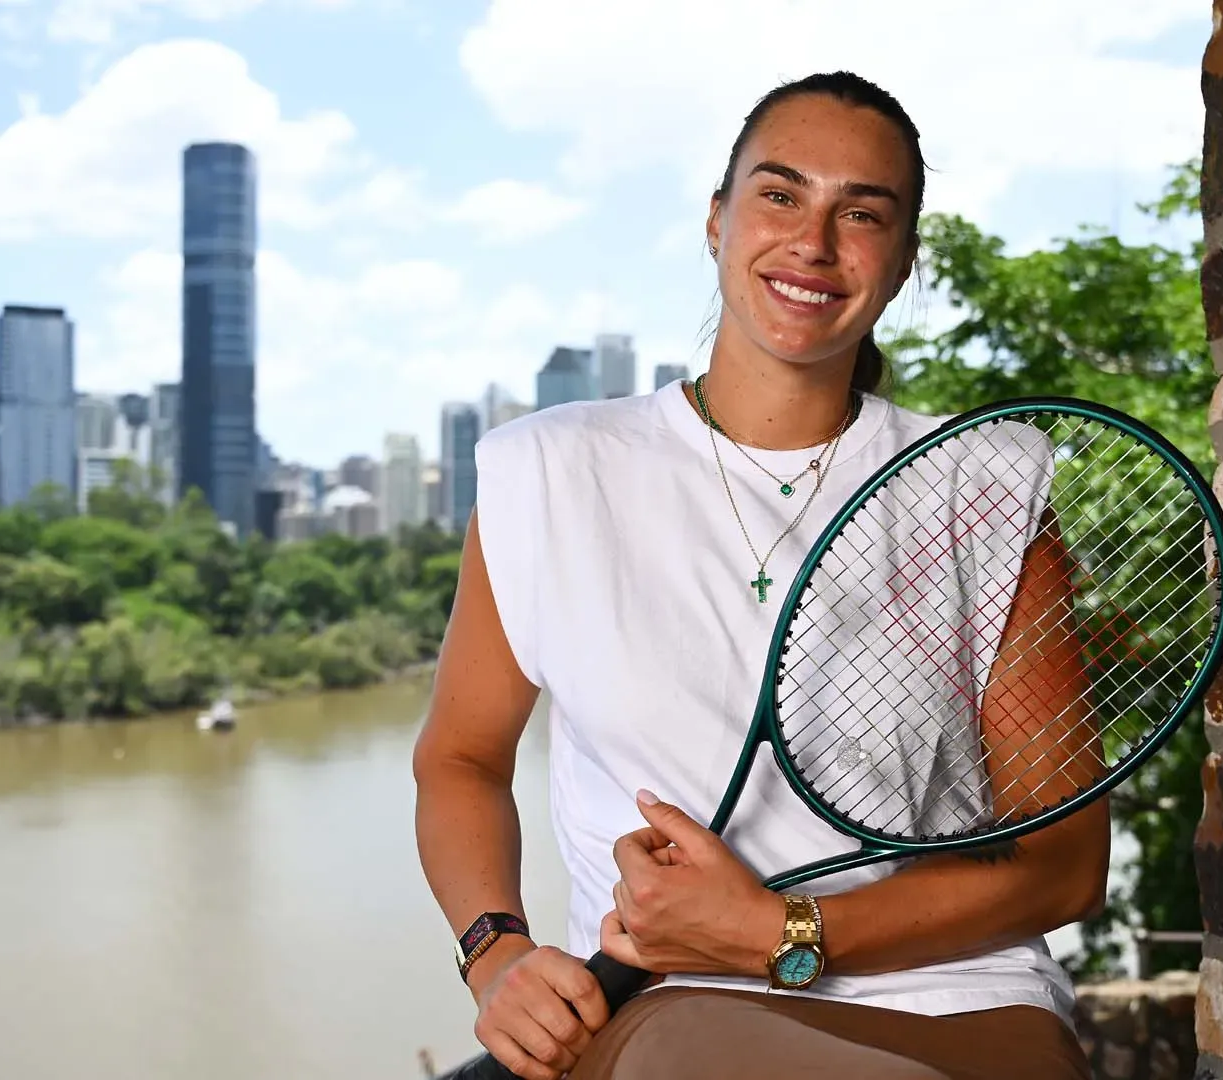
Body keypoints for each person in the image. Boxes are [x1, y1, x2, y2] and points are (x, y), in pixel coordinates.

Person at [411, 71, 1106, 1080]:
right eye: (780, 195)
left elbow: (1066, 865)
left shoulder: (985, 485)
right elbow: (461, 760)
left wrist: (783, 929)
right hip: (673, 1003)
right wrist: (496, 952)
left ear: (903, 261)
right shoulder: (550, 470)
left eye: (860, 213)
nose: (813, 244)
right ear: (716, 220)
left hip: (961, 998)